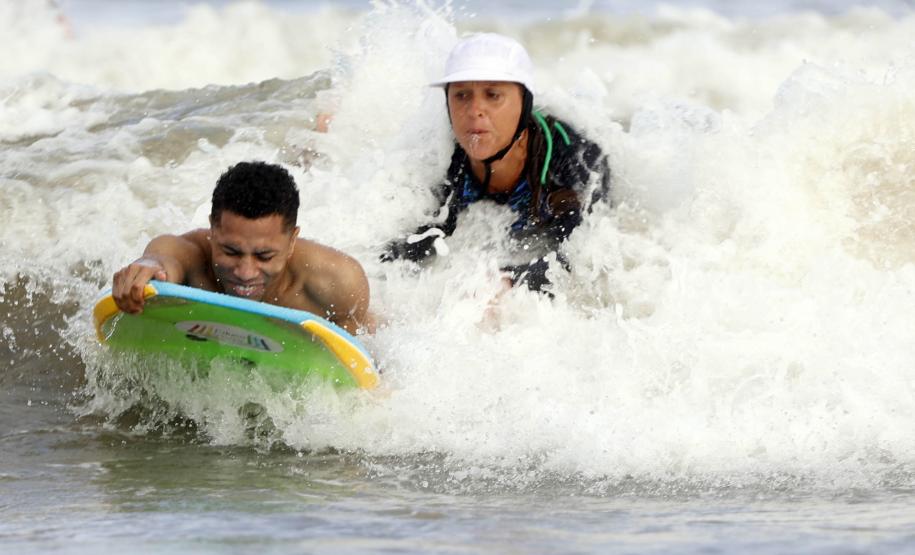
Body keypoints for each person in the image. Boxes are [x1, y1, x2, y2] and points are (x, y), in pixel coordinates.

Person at [382, 33, 610, 292]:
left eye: (493, 95)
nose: (474, 110)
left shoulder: (576, 162)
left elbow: (586, 263)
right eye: (462, 96)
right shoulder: (442, 159)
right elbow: (416, 243)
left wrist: (509, 281)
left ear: (525, 103)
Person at [112, 161, 374, 334]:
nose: (246, 272)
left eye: (264, 256)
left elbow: (357, 360)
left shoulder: (337, 282)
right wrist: (147, 268)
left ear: (292, 240)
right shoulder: (191, 254)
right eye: (231, 252)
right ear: (212, 232)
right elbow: (163, 258)